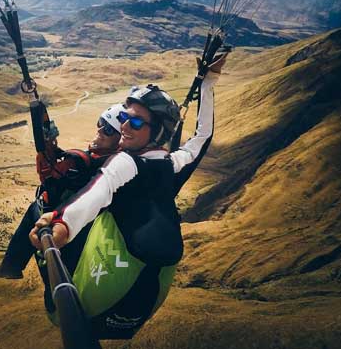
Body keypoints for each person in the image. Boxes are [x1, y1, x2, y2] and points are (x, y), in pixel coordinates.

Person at [29, 54, 227, 339]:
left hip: (110, 287)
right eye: (124, 117)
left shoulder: (125, 163)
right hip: (147, 290)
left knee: (40, 211)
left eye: (135, 123)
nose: (124, 126)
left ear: (156, 130)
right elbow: (202, 137)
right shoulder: (173, 164)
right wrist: (209, 82)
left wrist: (61, 222)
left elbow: (100, 190)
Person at [0, 102, 126, 279]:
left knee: (37, 209)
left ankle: (11, 265)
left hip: (77, 225)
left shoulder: (107, 163)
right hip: (78, 220)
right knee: (38, 206)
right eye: (100, 123)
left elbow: (71, 174)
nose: (100, 131)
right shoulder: (102, 157)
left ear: (121, 139)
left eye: (109, 130)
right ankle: (11, 266)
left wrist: (70, 160)